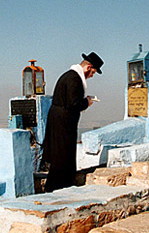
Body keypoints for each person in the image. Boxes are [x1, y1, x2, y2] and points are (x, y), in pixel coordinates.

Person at [42, 52, 104, 192]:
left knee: (61, 158)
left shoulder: (70, 76)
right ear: (88, 67)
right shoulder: (74, 79)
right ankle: (59, 190)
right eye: (93, 72)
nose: (92, 76)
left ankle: (57, 188)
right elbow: (73, 104)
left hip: (60, 121)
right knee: (63, 159)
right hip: (63, 124)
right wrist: (87, 102)